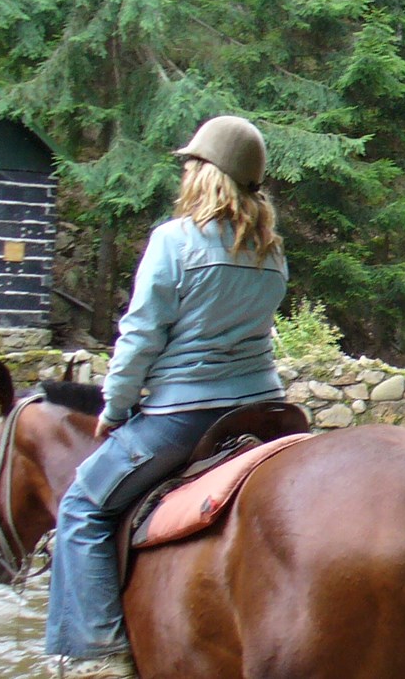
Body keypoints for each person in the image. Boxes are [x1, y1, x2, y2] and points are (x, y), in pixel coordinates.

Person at [45, 116, 288, 679]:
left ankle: (95, 657)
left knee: (81, 507)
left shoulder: (173, 241)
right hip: (265, 410)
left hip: (185, 415)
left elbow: (140, 336)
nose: (183, 170)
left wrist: (114, 408)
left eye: (190, 163)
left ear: (206, 174)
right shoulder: (271, 251)